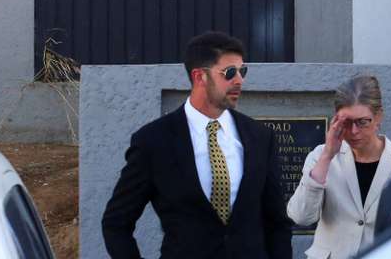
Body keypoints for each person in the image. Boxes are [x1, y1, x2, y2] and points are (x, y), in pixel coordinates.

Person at [102, 32, 292, 259]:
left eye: (243, 71)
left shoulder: (260, 137)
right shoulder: (154, 141)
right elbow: (116, 223)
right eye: (229, 73)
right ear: (199, 76)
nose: (239, 80)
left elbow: (277, 222)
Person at [288, 75, 391, 259]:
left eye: (362, 122)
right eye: (347, 123)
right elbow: (302, 216)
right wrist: (327, 156)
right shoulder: (320, 157)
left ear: (378, 115)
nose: (354, 131)